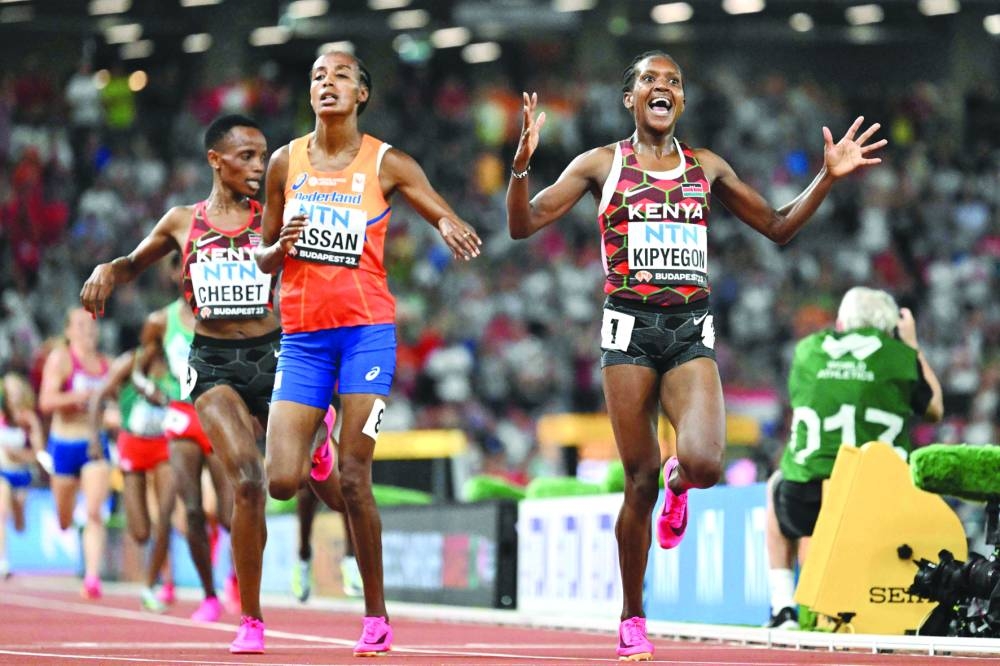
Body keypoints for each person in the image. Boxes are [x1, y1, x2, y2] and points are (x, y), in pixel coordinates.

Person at [505, 50, 886, 661]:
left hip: (688, 331)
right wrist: (521, 169)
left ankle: (681, 484)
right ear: (630, 99)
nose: (663, 88)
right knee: (637, 481)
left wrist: (828, 177)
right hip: (628, 331)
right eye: (650, 80)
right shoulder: (601, 163)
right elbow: (523, 226)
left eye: (673, 82)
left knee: (704, 462)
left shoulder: (706, 167)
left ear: (681, 100)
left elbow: (780, 226)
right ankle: (633, 616)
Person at [80, 114, 345, 654]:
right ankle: (250, 619)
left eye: (263, 155)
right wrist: (106, 268)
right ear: (215, 161)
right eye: (246, 156)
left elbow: (327, 270)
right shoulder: (184, 221)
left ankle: (325, 463)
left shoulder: (277, 216)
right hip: (214, 365)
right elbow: (132, 262)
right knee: (247, 481)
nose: (257, 166)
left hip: (275, 355)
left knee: (308, 483)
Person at [253, 50, 481, 657]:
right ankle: (316, 454)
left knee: (358, 477)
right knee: (281, 480)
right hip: (302, 337)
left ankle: (375, 615)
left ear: (362, 94)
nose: (327, 83)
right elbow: (261, 251)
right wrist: (278, 249)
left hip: (366, 334)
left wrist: (451, 224)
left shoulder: (387, 161)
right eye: (317, 76)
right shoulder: (284, 162)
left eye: (341, 76)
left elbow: (435, 205)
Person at [765, 287, 943, 629]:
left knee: (775, 485)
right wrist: (911, 344)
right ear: (890, 327)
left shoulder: (807, 351)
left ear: (841, 321)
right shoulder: (900, 356)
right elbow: (935, 408)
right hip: (883, 500)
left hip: (807, 500)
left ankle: (783, 607)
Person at [153, 291, 237, 621]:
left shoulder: (226, 312)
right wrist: (153, 389)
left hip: (216, 414)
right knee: (192, 510)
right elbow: (143, 363)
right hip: (182, 415)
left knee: (231, 513)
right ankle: (209, 595)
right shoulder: (161, 321)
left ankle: (235, 578)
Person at [87, 321, 175, 613]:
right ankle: (152, 578)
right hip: (133, 446)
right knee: (140, 532)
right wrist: (95, 439)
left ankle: (151, 585)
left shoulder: (176, 363)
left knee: (165, 515)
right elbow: (99, 396)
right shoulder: (130, 362)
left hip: (165, 445)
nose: (154, 348)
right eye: (151, 342)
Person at [38, 307, 111, 599]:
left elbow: (113, 408)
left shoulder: (106, 365)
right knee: (65, 519)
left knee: (94, 512)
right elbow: (46, 401)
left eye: (92, 324)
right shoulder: (62, 359)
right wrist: (76, 398)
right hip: (64, 444)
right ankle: (72, 523)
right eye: (80, 324)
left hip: (94, 443)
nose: (87, 329)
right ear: (68, 331)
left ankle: (92, 576)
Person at [0, 372, 45, 579]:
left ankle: (18, 510)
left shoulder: (28, 419)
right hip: (2, 472)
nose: (13, 395)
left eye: (16, 390)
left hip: (22, 474)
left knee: (19, 524)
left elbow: (39, 454)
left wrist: (20, 455)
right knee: (1, 512)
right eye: (9, 391)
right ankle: (3, 561)